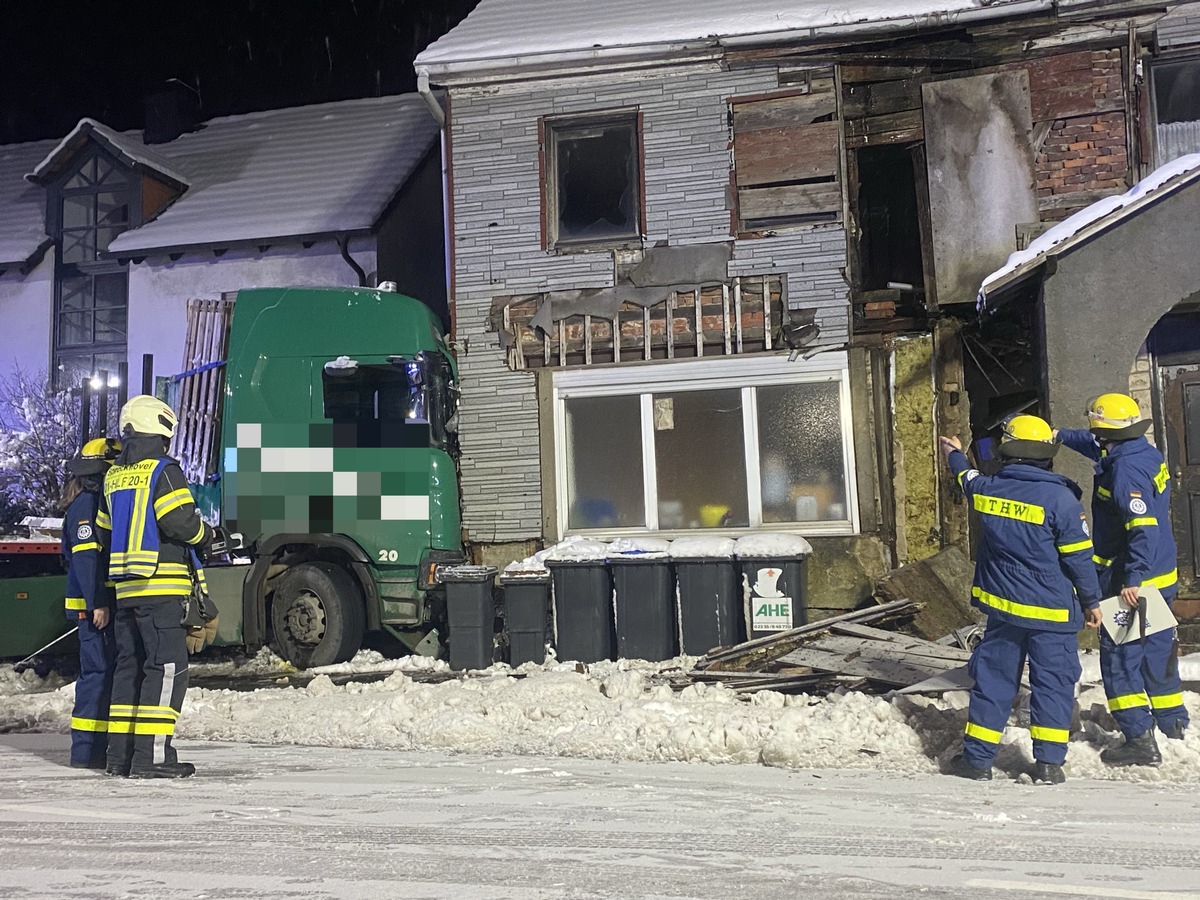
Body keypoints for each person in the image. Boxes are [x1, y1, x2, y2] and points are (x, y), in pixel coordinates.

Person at [940, 415, 1102, 784]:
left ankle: (977, 761)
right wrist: (1092, 601)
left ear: (1008, 452)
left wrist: (954, 455)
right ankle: (1048, 764)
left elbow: (967, 479)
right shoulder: (1061, 499)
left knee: (993, 682)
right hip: (1053, 613)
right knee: (1053, 685)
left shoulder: (989, 489)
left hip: (1005, 611)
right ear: (1047, 455)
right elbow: (1079, 558)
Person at [1057, 392, 1189, 766]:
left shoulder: (1125, 471)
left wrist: (1131, 579)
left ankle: (1139, 739)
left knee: (1120, 658)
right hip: (1160, 575)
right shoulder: (1141, 451)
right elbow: (1095, 445)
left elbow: (1141, 529)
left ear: (1103, 430)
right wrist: (1060, 435)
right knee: (1158, 650)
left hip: (1134, 581)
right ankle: (1172, 721)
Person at [98, 395, 213, 778]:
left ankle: (121, 757)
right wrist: (208, 535)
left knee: (129, 670)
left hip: (126, 592)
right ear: (160, 431)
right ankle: (153, 758)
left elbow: (103, 533)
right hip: (160, 589)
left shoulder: (113, 475)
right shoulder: (163, 471)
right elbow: (181, 523)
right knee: (166, 670)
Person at [60, 437, 121, 769]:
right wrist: (98, 603)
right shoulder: (86, 505)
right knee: (96, 673)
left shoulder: (95, 500)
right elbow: (85, 561)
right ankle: (85, 752)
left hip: (98, 605)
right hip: (91, 608)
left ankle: (95, 749)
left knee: (103, 672)